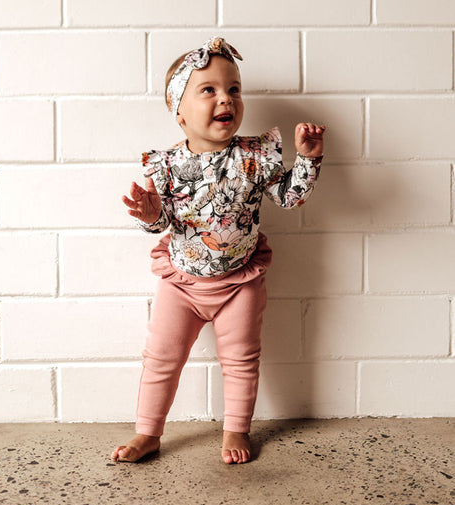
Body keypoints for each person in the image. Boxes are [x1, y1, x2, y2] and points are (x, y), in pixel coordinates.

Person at [112, 37, 325, 464]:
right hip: (182, 284)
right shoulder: (167, 166)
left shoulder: (255, 156)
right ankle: (147, 432)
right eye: (208, 90)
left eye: (233, 89)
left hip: (239, 282)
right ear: (179, 111)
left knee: (242, 359)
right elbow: (162, 222)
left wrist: (307, 160)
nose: (225, 98)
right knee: (161, 359)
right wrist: (150, 215)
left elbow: (288, 198)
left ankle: (236, 429)